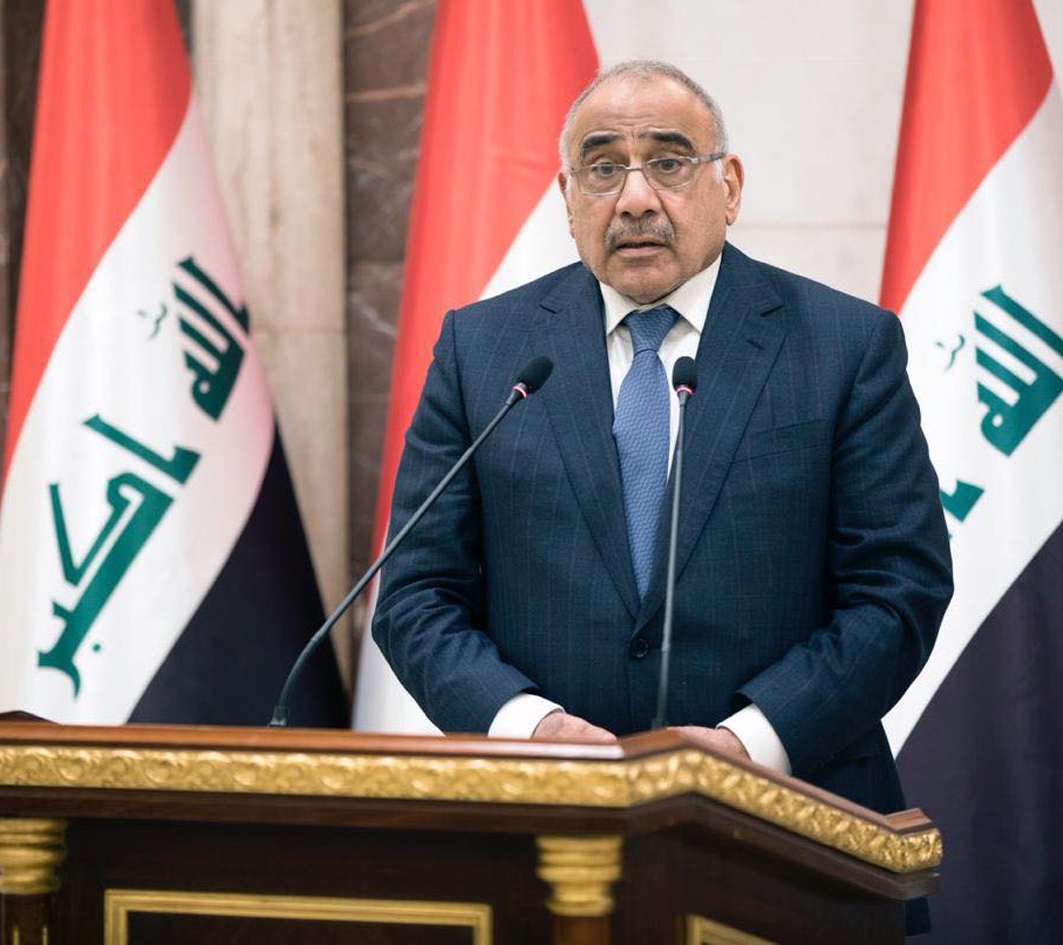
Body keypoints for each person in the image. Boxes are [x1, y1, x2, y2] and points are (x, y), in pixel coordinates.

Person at [373, 60, 951, 822]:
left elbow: (898, 589)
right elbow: (415, 593)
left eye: (670, 163)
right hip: (539, 817)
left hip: (791, 818)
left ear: (729, 187)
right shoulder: (482, 351)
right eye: (603, 168)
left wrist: (751, 741)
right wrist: (530, 726)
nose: (636, 198)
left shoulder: (844, 346)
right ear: (567, 198)